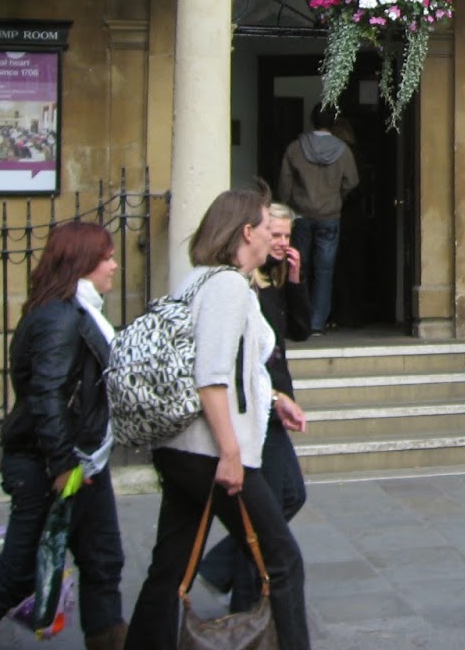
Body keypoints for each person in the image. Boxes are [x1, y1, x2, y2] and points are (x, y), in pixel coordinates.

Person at [125, 188, 310, 650]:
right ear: (246, 232)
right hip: (213, 452)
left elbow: (240, 364)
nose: (274, 235)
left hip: (180, 450)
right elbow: (211, 377)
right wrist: (231, 454)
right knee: (282, 560)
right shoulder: (227, 286)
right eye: (267, 226)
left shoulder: (200, 279)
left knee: (170, 565)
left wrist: (273, 399)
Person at [0, 220, 127, 650]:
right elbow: (47, 394)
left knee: (103, 561)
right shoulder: (61, 316)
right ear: (83, 261)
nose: (114, 265)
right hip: (53, 467)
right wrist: (62, 465)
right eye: (107, 257)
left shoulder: (76, 310)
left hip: (83, 463)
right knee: (19, 570)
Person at [197, 201, 309, 608]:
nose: (279, 242)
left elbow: (300, 329)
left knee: (288, 496)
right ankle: (244, 597)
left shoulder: (275, 281)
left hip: (274, 401)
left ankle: (223, 568)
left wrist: (295, 279)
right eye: (273, 234)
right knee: (282, 501)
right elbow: (224, 365)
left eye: (285, 236)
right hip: (258, 406)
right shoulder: (240, 286)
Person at [276, 105, 358, 333]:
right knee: (325, 270)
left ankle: (298, 317)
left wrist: (287, 204)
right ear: (334, 122)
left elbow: (284, 183)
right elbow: (352, 181)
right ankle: (316, 322)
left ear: (311, 120)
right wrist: (336, 198)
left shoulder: (295, 148)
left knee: (298, 267)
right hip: (330, 216)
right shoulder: (343, 150)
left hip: (301, 214)